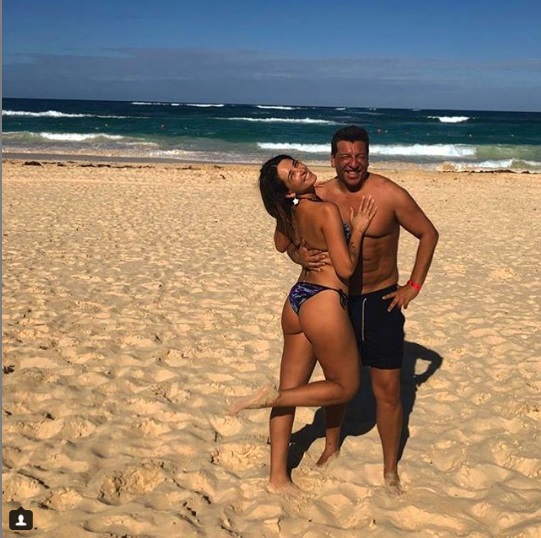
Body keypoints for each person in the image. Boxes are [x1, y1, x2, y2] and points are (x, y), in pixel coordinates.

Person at [279, 125, 439, 494]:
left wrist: (413, 286)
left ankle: (389, 470)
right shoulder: (318, 194)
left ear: (368, 157)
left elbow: (428, 233)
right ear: (333, 159)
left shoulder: (389, 194)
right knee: (336, 383)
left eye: (360, 156)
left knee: (388, 390)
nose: (353, 163)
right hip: (335, 301)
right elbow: (287, 238)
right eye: (345, 157)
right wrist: (298, 255)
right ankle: (331, 446)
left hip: (381, 301)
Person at [228, 154, 377, 494]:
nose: (300, 169)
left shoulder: (291, 211)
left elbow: (281, 244)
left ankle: (277, 478)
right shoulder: (325, 210)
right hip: (323, 301)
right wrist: (357, 231)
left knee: (290, 392)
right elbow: (346, 268)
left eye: (295, 164)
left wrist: (300, 253)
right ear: (288, 190)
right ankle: (273, 397)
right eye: (292, 174)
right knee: (346, 386)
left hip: (297, 300)